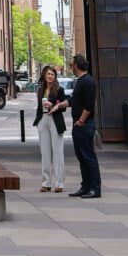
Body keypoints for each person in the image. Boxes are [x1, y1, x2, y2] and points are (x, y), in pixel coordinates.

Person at [69, 54, 101, 199]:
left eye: (72, 64)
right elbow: (75, 101)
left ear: (77, 65)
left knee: (88, 157)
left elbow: (88, 105)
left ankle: (95, 188)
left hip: (85, 125)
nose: (71, 66)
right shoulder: (80, 81)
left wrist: (81, 121)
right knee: (81, 156)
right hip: (79, 125)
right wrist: (60, 104)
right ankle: (85, 186)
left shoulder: (87, 81)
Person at [35, 63, 68, 193]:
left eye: (52, 74)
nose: (50, 76)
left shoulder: (59, 89)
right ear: (44, 75)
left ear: (55, 77)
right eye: (48, 74)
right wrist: (39, 122)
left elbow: (64, 105)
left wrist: (54, 104)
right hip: (43, 119)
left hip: (55, 120)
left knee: (58, 152)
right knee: (45, 152)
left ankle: (59, 183)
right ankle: (46, 182)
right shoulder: (40, 89)